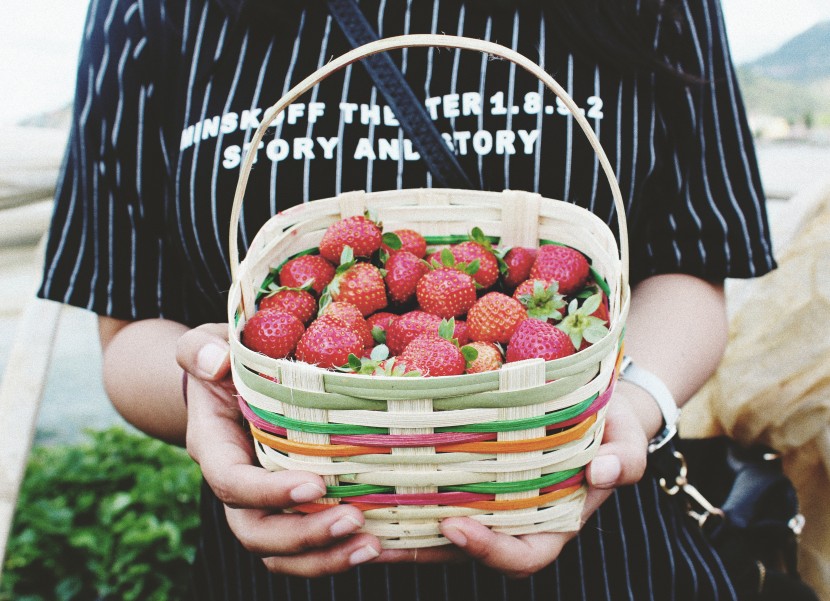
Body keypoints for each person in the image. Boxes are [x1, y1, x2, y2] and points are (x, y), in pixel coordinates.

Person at [38, 0, 776, 598]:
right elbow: (128, 326)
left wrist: (632, 400)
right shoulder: (151, 11)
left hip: (604, 556)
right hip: (284, 560)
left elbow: (693, 268)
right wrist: (222, 391)